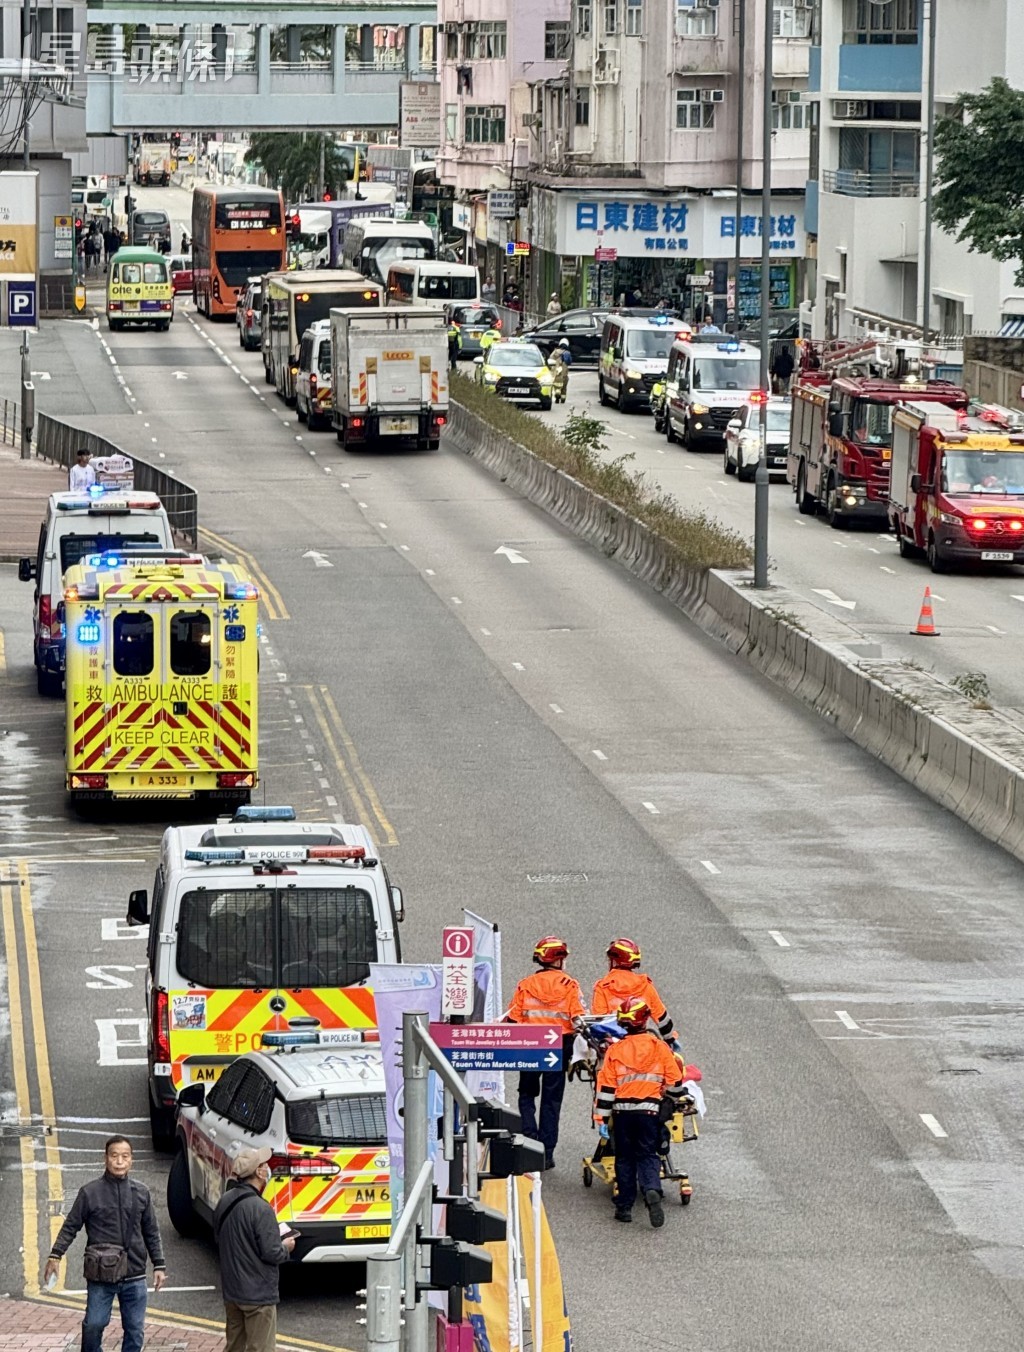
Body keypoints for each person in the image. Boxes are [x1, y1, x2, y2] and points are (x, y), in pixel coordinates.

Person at [44, 1137, 166, 1352]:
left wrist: (159, 1265)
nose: (119, 1161)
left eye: (125, 1156)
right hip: (101, 1274)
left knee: (135, 1330)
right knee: (94, 1324)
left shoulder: (142, 1193)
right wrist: (55, 1255)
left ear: (131, 1160)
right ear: (106, 1158)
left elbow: (151, 1231)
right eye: (114, 1156)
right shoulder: (89, 1192)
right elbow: (71, 1226)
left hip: (135, 1273)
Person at [594, 998, 685, 1227]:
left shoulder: (615, 1050)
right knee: (647, 1155)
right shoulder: (659, 1047)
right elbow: (675, 1080)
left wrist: (601, 1118)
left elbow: (606, 1088)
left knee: (624, 1158)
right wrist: (670, 1099)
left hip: (622, 1114)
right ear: (644, 1020)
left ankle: (624, 1207)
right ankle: (652, 1189)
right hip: (649, 1112)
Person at [507, 936, 585, 1169]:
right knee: (551, 1101)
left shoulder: (525, 985)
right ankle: (546, 1153)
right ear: (558, 960)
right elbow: (579, 1019)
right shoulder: (570, 985)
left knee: (526, 1094)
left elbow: (513, 1019)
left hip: (529, 1046)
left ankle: (529, 1142)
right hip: (559, 1047)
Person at [214, 1145, 296, 1352]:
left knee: (234, 1347)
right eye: (264, 1165)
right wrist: (286, 1247)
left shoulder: (224, 1200)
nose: (268, 1168)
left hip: (232, 1292)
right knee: (261, 1348)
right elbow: (272, 1252)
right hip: (258, 1295)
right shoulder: (261, 1208)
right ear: (259, 1172)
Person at [591, 938, 680, 1049]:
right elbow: (663, 1019)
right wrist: (670, 1041)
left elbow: (599, 1022)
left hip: (615, 1048)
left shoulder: (603, 987)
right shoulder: (645, 985)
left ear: (614, 961)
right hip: (642, 1046)